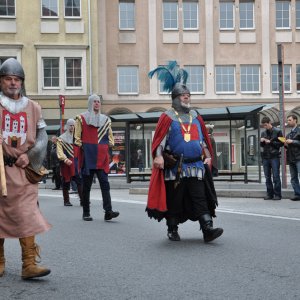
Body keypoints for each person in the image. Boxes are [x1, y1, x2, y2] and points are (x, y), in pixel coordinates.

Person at [147, 62, 223, 242]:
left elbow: (203, 140)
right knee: (175, 199)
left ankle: (207, 229)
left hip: (196, 165)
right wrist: (158, 156)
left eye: (188, 95)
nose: (187, 98)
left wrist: (208, 156)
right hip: (176, 167)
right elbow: (160, 140)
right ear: (175, 97)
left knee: (200, 197)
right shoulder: (167, 117)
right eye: (183, 95)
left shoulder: (196, 116)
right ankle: (172, 229)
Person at [0, 58, 51, 279]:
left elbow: (42, 138)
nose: (13, 83)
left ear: (22, 82)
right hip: (1, 171)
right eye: (8, 79)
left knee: (28, 213)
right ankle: (0, 261)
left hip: (24, 171)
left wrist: (29, 157)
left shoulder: (34, 107)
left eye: (16, 79)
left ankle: (28, 264)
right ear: (1, 82)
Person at [74, 94, 119, 221]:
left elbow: (110, 139)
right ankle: (86, 212)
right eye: (94, 101)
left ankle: (108, 211)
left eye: (98, 101)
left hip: (101, 157)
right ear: (90, 103)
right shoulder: (81, 118)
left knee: (105, 184)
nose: (97, 103)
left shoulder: (106, 120)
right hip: (88, 156)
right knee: (87, 186)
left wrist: (108, 145)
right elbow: (77, 139)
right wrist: (84, 148)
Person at [56, 118, 83, 206]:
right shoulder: (61, 138)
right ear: (67, 126)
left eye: (73, 125)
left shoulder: (77, 138)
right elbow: (59, 151)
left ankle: (83, 200)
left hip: (75, 162)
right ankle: (66, 200)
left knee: (79, 181)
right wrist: (64, 159)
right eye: (70, 125)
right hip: (66, 163)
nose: (72, 127)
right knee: (66, 181)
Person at [260, 116, 283, 200]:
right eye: (263, 126)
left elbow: (282, 144)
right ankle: (269, 194)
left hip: (274, 156)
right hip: (265, 157)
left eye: (266, 125)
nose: (265, 127)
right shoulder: (263, 133)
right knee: (267, 177)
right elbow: (262, 145)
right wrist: (261, 142)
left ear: (270, 123)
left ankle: (277, 194)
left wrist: (271, 142)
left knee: (276, 176)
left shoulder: (278, 131)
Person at [284, 114, 300, 201]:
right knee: (293, 178)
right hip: (291, 158)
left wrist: (293, 141)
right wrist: (286, 144)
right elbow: (288, 147)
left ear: (295, 120)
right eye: (288, 120)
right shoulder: (289, 134)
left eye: (290, 120)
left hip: (299, 158)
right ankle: (297, 194)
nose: (288, 122)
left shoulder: (299, 131)